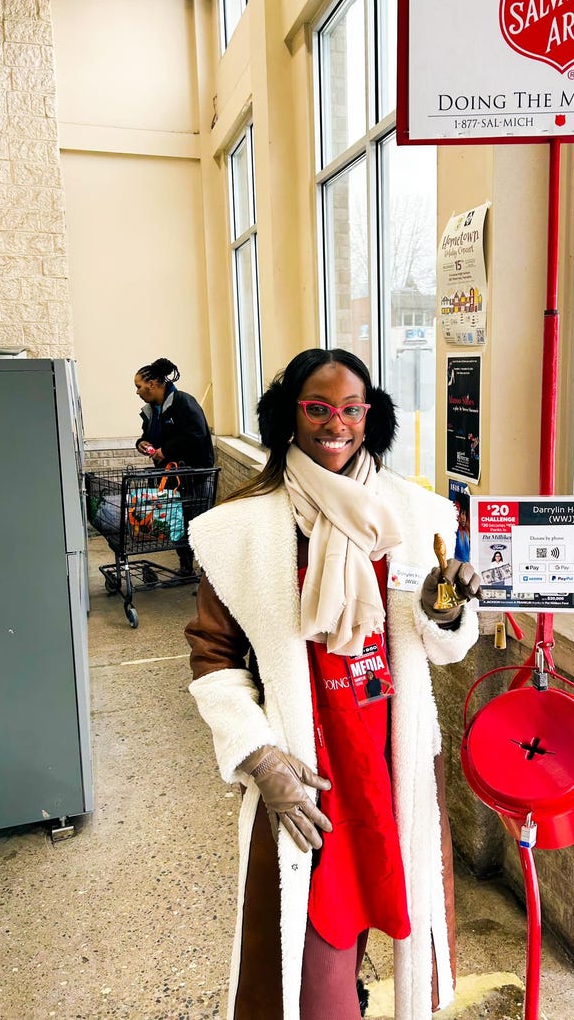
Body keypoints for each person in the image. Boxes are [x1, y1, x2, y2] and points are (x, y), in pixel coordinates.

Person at [183, 348, 480, 1020]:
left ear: (371, 417)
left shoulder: (418, 517)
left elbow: (442, 646)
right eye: (318, 408)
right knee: (307, 968)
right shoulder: (240, 529)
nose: (335, 424)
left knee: (385, 918)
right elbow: (213, 654)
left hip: (391, 761)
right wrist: (261, 760)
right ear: (289, 415)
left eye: (351, 409)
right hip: (308, 775)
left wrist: (445, 610)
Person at [134, 357, 214, 575]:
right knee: (177, 523)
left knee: (198, 524)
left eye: (139, 386)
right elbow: (148, 435)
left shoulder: (183, 402)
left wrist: (166, 451)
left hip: (194, 476)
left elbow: (197, 435)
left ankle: (208, 573)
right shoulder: (152, 410)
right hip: (170, 478)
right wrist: (142, 443)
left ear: (152, 384)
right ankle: (186, 566)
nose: (137, 392)